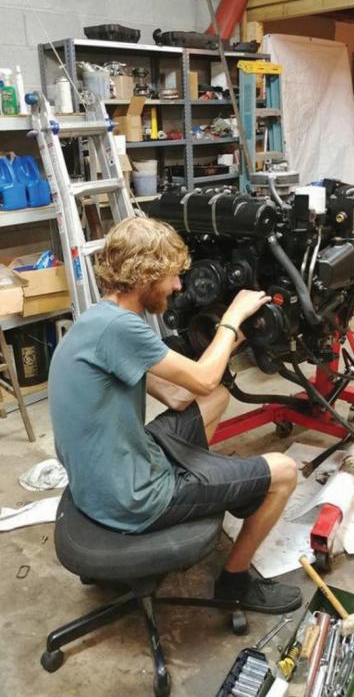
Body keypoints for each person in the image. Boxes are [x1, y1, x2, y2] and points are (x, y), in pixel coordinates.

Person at [49, 216, 302, 614]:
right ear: (146, 276)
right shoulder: (123, 331)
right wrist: (230, 319)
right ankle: (234, 583)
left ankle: (215, 483)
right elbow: (200, 378)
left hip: (103, 477)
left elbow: (180, 395)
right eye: (171, 277)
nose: (178, 286)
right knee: (285, 471)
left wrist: (232, 341)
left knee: (216, 398)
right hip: (132, 497)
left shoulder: (98, 321)